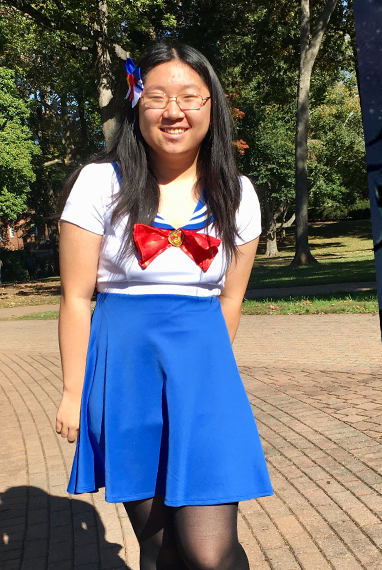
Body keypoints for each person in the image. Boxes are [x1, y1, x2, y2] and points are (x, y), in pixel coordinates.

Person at [54, 41, 269, 570]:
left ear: (211, 107)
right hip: (124, 373)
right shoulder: (99, 183)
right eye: (157, 97)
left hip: (204, 375)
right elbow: (77, 298)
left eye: (189, 97)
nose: (173, 111)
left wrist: (207, 375)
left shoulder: (237, 195)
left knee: (210, 552)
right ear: (137, 104)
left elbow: (232, 297)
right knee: (159, 548)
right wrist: (73, 392)